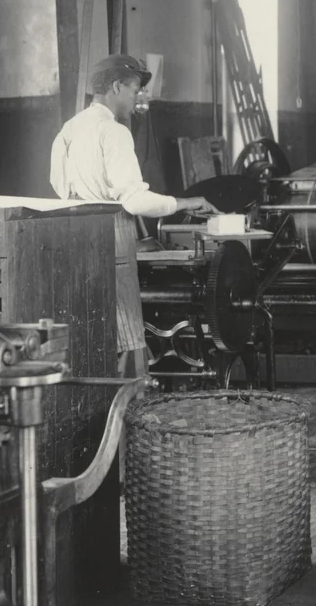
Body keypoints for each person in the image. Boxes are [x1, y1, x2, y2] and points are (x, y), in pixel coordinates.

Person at [50, 54, 217, 376]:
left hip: (71, 235)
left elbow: (58, 186)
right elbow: (135, 201)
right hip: (110, 238)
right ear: (116, 87)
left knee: (86, 329)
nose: (138, 98)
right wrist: (185, 203)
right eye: (135, 90)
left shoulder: (68, 130)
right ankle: (130, 407)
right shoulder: (112, 131)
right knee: (124, 333)